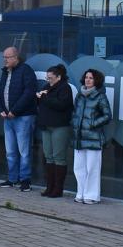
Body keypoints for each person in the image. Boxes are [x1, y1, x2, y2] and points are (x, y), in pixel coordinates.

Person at [0, 46, 38, 191]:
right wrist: (1, 109)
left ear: (15, 57)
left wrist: (15, 110)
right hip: (7, 118)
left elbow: (29, 93)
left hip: (23, 117)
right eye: (4, 57)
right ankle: (12, 178)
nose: (5, 60)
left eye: (7, 57)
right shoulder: (5, 72)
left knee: (24, 151)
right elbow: (0, 92)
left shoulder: (26, 71)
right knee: (10, 151)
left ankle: (25, 180)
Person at [71, 68, 113, 204]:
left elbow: (107, 115)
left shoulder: (100, 96)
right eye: (86, 77)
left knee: (92, 168)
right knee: (78, 167)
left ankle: (92, 195)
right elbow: (74, 113)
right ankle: (81, 193)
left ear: (96, 81)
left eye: (91, 78)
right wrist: (75, 123)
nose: (87, 80)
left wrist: (92, 123)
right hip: (79, 137)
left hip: (94, 138)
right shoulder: (79, 95)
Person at [36, 64, 74, 198]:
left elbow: (61, 105)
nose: (48, 80)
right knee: (49, 156)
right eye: (47, 78)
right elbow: (42, 103)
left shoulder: (65, 88)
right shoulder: (47, 87)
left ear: (59, 77)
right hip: (46, 126)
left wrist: (44, 98)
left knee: (59, 157)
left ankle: (58, 189)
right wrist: (38, 98)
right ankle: (49, 186)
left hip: (59, 126)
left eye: (50, 78)